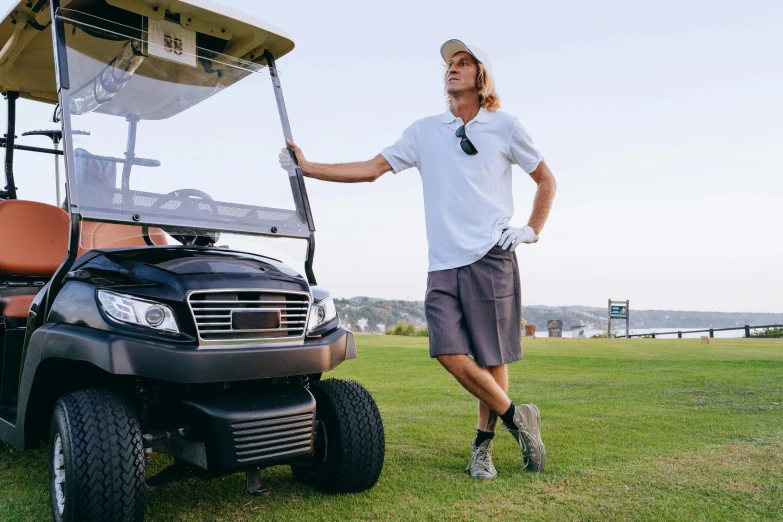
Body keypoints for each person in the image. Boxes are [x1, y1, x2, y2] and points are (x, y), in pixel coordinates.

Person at [279, 39, 557, 479]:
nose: (453, 68)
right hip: (443, 262)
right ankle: (517, 418)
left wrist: (531, 229)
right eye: (450, 63)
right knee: (447, 350)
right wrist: (309, 167)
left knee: (491, 357)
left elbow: (545, 179)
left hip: (491, 255)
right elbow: (371, 169)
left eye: (464, 63)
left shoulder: (505, 126)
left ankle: (483, 449)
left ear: (481, 76)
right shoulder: (425, 130)